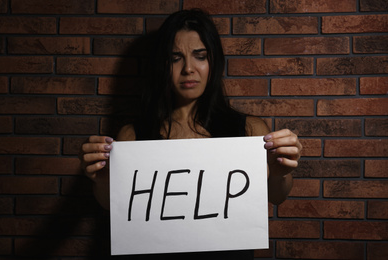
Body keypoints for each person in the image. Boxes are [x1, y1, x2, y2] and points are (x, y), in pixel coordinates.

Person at [79, 9, 302, 260]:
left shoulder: (250, 131)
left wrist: (281, 170)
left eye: (200, 56)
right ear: (162, 64)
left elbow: (278, 196)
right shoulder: (132, 135)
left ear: (213, 62)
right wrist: (101, 178)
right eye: (175, 58)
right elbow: (111, 205)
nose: (188, 68)